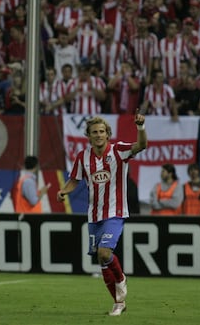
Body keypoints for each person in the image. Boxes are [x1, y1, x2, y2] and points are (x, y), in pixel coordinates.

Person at [57, 110, 147, 316]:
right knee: (101, 259)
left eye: (102, 131)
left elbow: (141, 145)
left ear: (108, 134)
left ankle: (121, 279)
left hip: (115, 212)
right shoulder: (83, 157)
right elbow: (74, 180)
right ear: (88, 136)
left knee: (104, 253)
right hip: (94, 215)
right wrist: (64, 191)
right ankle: (119, 302)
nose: (98, 135)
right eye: (94, 132)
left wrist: (140, 128)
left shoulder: (119, 151)